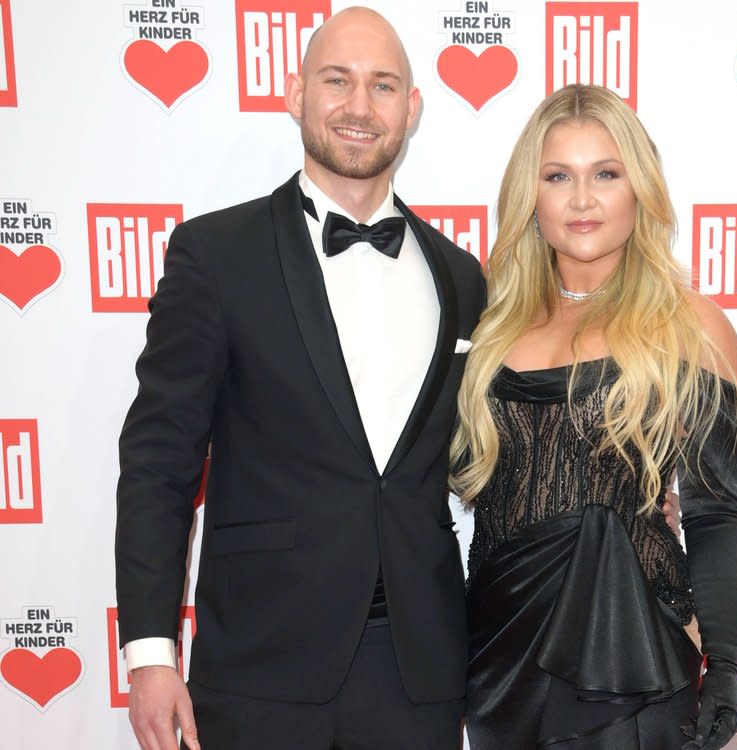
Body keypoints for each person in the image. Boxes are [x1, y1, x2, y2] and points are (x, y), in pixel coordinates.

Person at [114, 7, 487, 750]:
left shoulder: (462, 276)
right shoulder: (216, 255)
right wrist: (151, 655)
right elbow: (159, 462)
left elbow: (484, 461)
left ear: (411, 110)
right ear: (295, 94)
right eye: (336, 81)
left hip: (419, 671)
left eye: (383, 86)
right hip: (261, 665)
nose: (358, 106)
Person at [451, 84, 737, 750]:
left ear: (639, 188)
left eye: (606, 174)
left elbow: (717, 515)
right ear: (530, 197)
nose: (583, 198)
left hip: (632, 651)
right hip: (501, 658)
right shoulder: (487, 327)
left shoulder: (690, 327)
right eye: (558, 176)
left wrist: (728, 668)